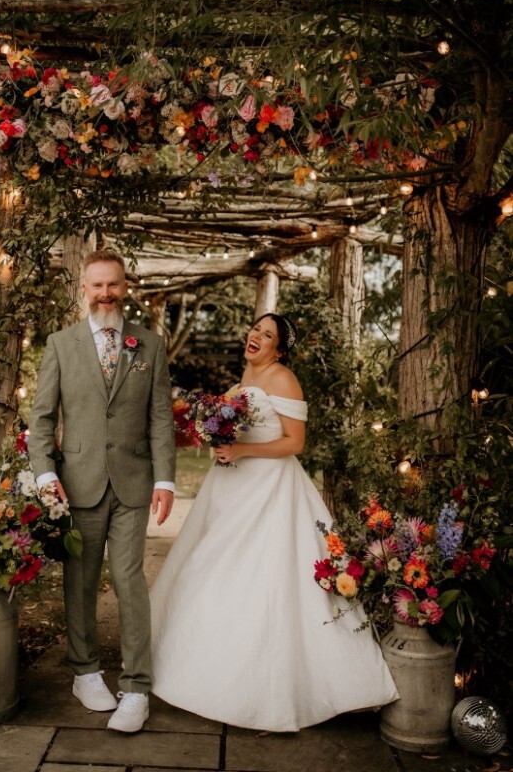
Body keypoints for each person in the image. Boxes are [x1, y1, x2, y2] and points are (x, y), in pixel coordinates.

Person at [150, 312, 399, 732]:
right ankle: (198, 665)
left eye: (267, 335)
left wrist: (244, 452)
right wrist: (219, 436)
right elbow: (233, 428)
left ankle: (271, 687)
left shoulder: (283, 379)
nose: (256, 336)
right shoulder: (241, 379)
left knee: (266, 577)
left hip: (269, 489)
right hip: (229, 488)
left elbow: (295, 442)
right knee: (208, 566)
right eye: (255, 329)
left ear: (279, 349)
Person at [28, 248, 176, 733]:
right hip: (77, 485)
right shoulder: (61, 344)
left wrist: (165, 478)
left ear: (125, 287)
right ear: (85, 289)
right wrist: (46, 475)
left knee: (131, 582)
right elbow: (43, 418)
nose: (105, 293)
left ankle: (136, 687)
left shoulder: (149, 345)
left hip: (134, 483)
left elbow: (159, 417)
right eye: (97, 285)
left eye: (113, 284)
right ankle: (85, 670)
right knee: (81, 581)